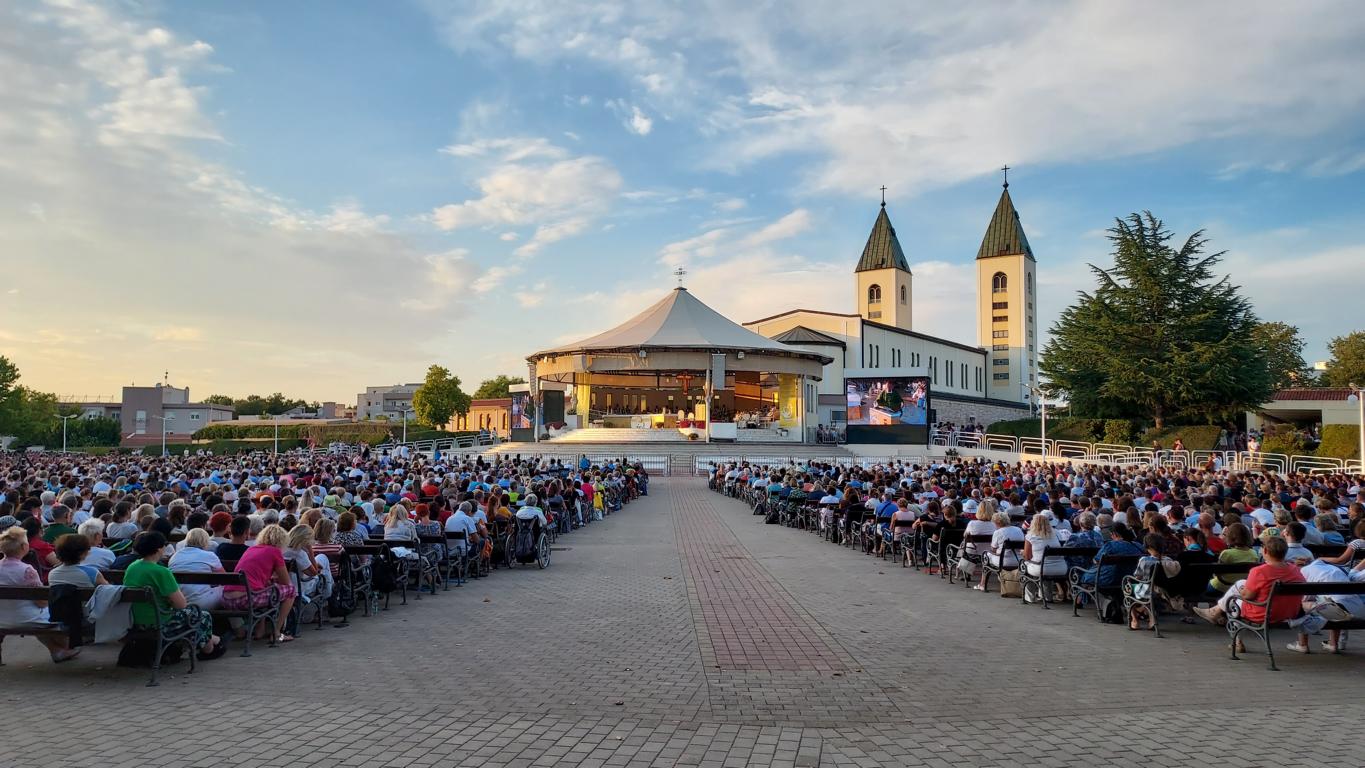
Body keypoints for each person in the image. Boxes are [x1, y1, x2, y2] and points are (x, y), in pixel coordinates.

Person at [122, 532, 225, 660]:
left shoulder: (132, 568)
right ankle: (208, 649)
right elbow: (181, 604)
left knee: (192, 616)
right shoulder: (160, 572)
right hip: (160, 621)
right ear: (159, 549)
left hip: (136, 620)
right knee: (201, 615)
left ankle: (214, 640)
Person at [1193, 536, 1304, 637]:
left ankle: (1235, 638)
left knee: (1234, 597)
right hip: (1289, 613)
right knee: (1241, 582)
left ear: (1265, 551)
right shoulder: (1295, 570)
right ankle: (1215, 612)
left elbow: (1247, 597)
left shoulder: (1259, 571)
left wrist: (1241, 591)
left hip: (1262, 614)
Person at [0, 526, 80, 662]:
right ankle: (60, 650)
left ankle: (57, 651)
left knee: (39, 618)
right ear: (24, 546)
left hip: (2, 618)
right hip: (25, 618)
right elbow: (41, 601)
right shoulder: (27, 570)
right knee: (55, 614)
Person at [222, 524, 297, 643]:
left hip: (227, 598)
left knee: (265, 590)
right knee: (291, 591)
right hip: (247, 598)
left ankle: (259, 631)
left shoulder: (251, 549)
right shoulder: (274, 551)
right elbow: (286, 582)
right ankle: (276, 632)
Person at [1128, 532, 1180, 630]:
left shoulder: (1144, 560)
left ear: (1147, 546)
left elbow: (1137, 576)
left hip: (1147, 590)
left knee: (1128, 588)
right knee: (1148, 588)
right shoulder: (1168, 560)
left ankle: (1135, 620)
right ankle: (1151, 619)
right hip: (1164, 591)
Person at [167, 528, 225, 610]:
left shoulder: (175, 556)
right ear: (205, 541)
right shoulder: (209, 556)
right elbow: (224, 578)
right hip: (202, 603)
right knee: (226, 588)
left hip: (180, 601)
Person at [1022, 512, 1066, 602]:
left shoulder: (1030, 536)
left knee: (1024, 565)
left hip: (1042, 568)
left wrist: (1023, 552)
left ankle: (1030, 597)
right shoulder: (1055, 535)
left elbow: (1027, 557)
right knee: (1045, 564)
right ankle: (1046, 596)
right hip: (1061, 567)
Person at [976, 511, 1023, 591]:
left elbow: (993, 549)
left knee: (985, 555)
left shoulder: (998, 532)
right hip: (1019, 560)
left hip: (1004, 561)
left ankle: (982, 584)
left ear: (997, 523)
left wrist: (995, 550)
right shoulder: (1018, 530)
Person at [1209, 523, 1260, 593]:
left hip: (1221, 587)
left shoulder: (1226, 553)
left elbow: (1217, 573)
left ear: (1230, 537)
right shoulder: (1253, 553)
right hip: (1241, 587)